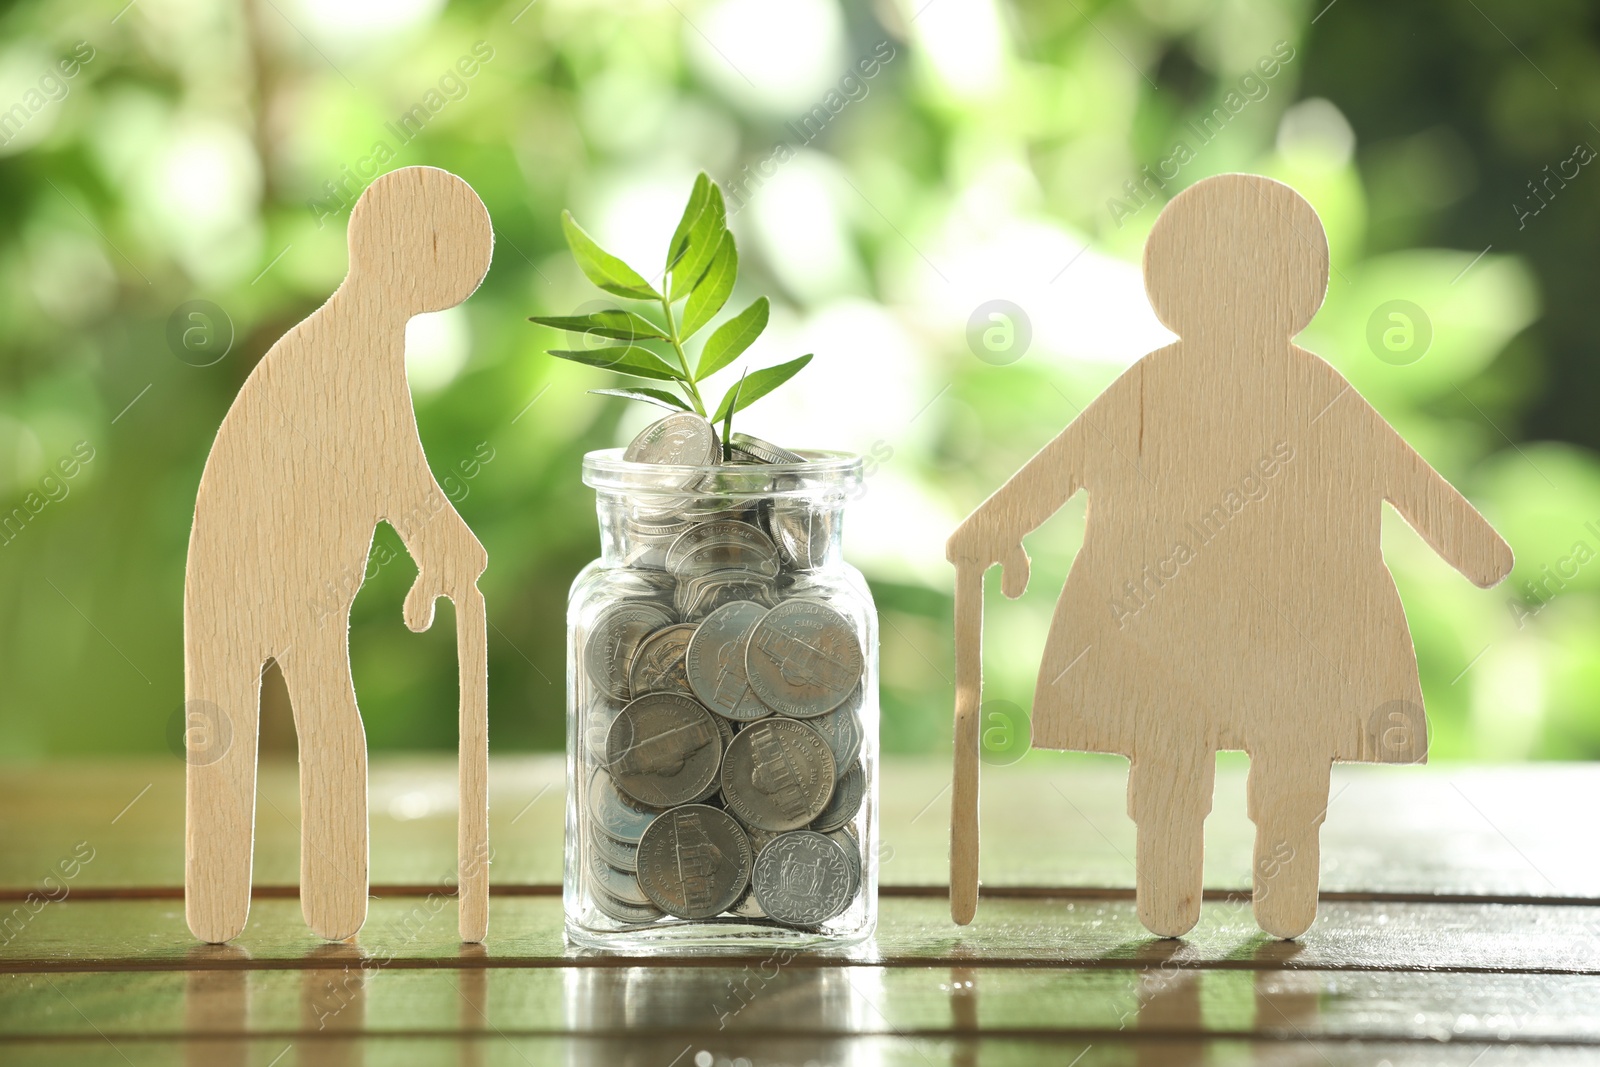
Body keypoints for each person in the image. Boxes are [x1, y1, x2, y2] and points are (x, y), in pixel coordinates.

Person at [948, 174, 1512, 939]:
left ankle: (1238, 881)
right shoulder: (1236, 389)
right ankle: (1186, 888)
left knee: (1244, 759)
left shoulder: (1257, 389)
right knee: (1200, 758)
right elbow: (1064, 464)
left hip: (1250, 627)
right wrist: (991, 527)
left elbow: (1405, 479)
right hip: (1205, 629)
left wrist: (990, 530)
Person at [184, 167, 492, 943]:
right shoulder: (342, 349)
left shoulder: (361, 344)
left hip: (309, 588)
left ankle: (323, 911)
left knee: (324, 727)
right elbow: (395, 473)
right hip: (248, 577)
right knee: (236, 731)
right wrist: (441, 539)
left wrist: (442, 543)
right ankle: (226, 908)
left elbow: (390, 472)